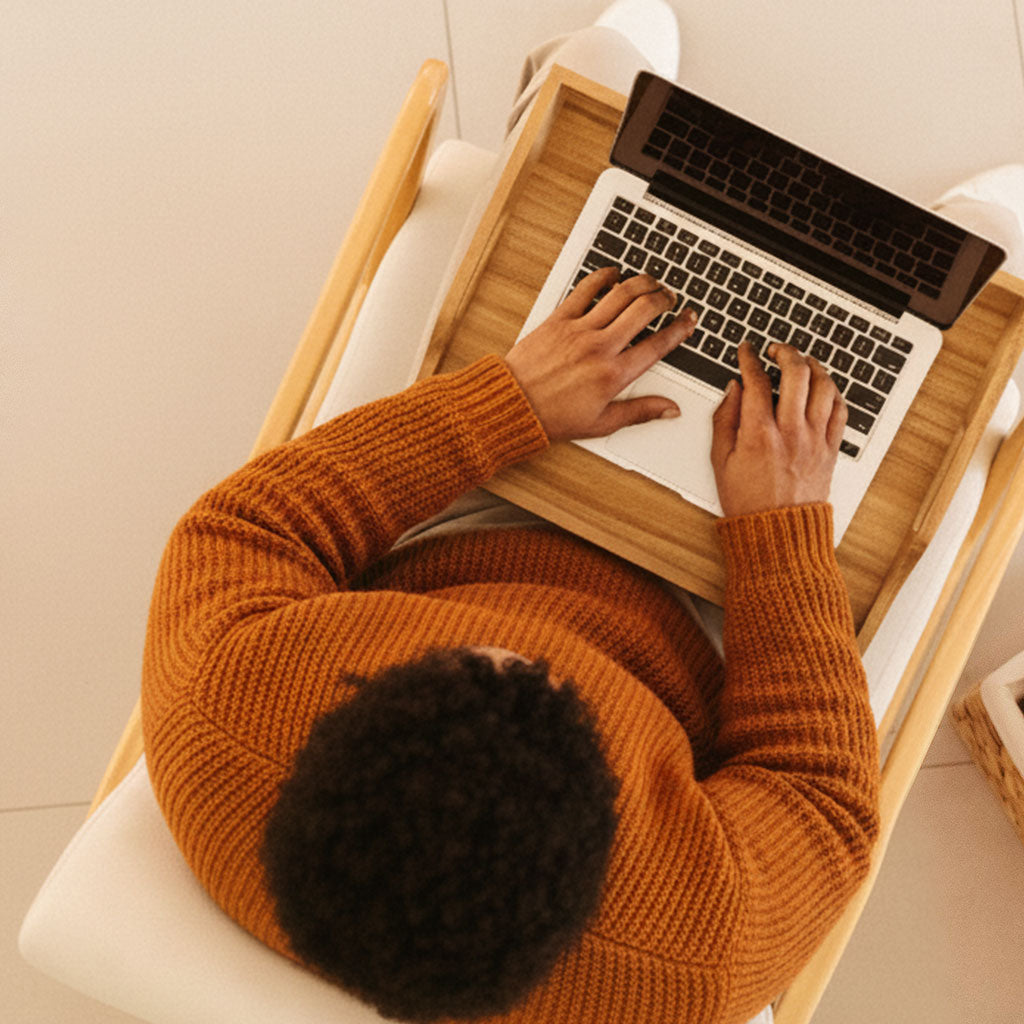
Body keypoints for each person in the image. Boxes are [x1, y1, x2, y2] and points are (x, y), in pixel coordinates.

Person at [141, 5, 882, 1023]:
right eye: (556, 693)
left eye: (455, 660)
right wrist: (779, 532)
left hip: (469, 528)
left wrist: (514, 402)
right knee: (918, 357)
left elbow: (249, 529)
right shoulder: (691, 956)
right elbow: (817, 792)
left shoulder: (219, 718)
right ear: (601, 858)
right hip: (704, 626)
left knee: (570, 199)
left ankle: (576, 89)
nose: (522, 645)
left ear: (335, 725)